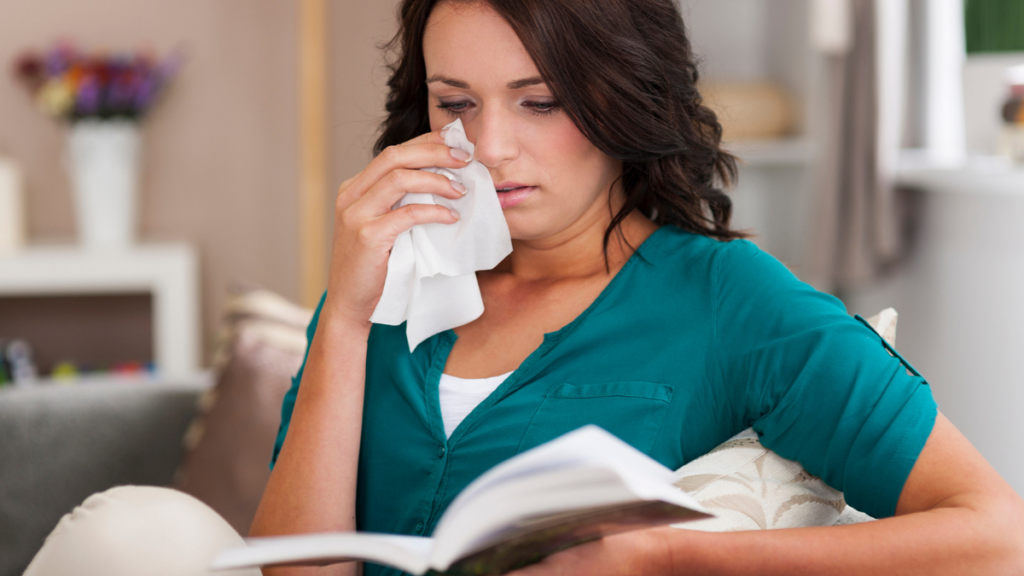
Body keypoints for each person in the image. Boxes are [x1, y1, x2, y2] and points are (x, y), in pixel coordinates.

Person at [251, 0, 1024, 575]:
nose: (487, 146)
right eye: (456, 103)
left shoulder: (733, 300)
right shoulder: (393, 280)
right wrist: (346, 320)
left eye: (541, 102)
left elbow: (997, 537)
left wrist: (664, 558)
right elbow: (297, 568)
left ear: (623, 95)